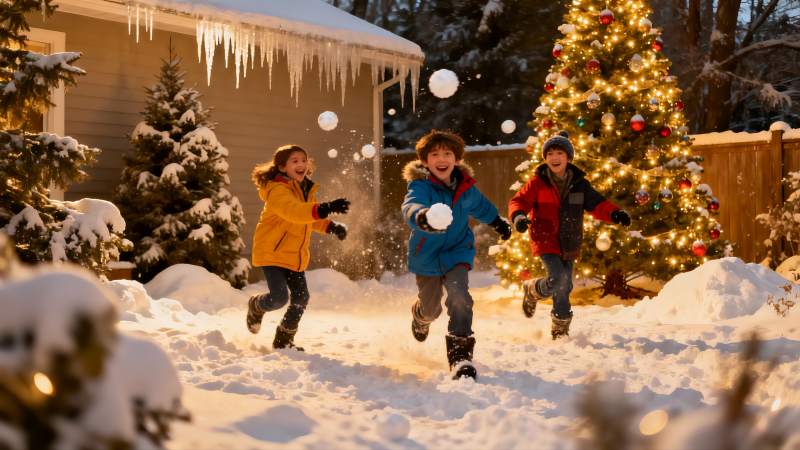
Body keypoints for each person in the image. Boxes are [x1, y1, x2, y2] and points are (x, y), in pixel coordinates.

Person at [402, 130, 512, 379]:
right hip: (427, 255)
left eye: (447, 154)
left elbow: (481, 206)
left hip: (457, 252)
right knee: (431, 309)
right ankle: (420, 316)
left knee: (460, 297)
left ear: (457, 159)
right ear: (425, 161)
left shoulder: (465, 188)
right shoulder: (420, 186)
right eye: (435, 155)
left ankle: (460, 357)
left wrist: (497, 222)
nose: (441, 159)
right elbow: (411, 205)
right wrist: (422, 217)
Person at [509, 131, 631, 339]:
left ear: (568, 158)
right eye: (550, 154)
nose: (554, 158)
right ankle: (537, 294)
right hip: (544, 237)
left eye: (559, 153)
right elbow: (518, 201)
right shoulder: (537, 182)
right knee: (559, 278)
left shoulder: (580, 185)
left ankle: (557, 325)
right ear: (545, 158)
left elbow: (597, 204)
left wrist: (615, 213)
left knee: (565, 285)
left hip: (570, 239)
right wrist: (519, 216)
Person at [246, 144, 349, 350]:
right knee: (279, 298)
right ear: (282, 167)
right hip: (272, 253)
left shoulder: (305, 190)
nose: (301, 164)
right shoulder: (277, 190)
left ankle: (284, 340)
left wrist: (330, 226)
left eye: (304, 160)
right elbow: (294, 212)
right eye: (295, 161)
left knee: (301, 298)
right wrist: (326, 208)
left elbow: (307, 217)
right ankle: (256, 305)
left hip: (295, 255)